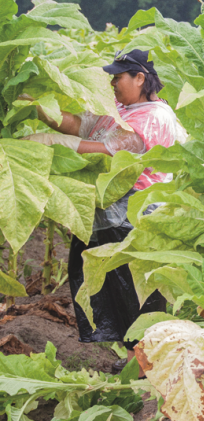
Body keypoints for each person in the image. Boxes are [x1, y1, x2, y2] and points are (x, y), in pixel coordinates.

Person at [21, 49, 187, 371]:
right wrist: (36, 107)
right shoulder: (123, 108)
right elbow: (81, 124)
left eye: (118, 76)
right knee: (112, 288)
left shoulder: (153, 116)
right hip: (110, 214)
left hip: (135, 216)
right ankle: (132, 360)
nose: (112, 82)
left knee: (136, 291)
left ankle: (147, 365)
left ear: (140, 78)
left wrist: (51, 143)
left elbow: (111, 150)